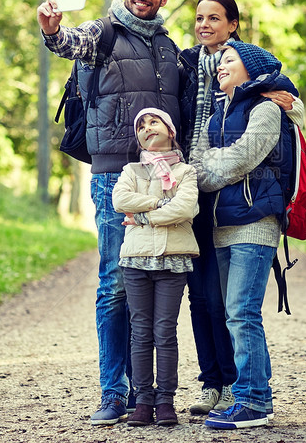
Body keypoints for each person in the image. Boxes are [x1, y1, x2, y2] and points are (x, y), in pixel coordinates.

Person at [36, 0, 194, 426]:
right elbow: (69, 44)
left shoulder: (169, 48)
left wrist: (277, 90)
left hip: (166, 178)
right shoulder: (101, 34)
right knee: (116, 281)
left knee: (155, 282)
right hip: (115, 176)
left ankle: (148, 394)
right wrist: (51, 31)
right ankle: (114, 392)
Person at [179, 0, 303, 416]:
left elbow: (235, 160)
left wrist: (211, 166)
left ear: (248, 69)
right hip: (220, 222)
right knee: (235, 313)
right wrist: (211, 165)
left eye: (229, 63)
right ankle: (249, 397)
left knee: (242, 314)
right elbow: (202, 160)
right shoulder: (217, 113)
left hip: (253, 221)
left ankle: (252, 401)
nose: (221, 68)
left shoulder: (265, 108)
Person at [112, 108, 200, 427]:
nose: (147, 128)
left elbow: (186, 207)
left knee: (165, 331)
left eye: (153, 122)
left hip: (173, 258)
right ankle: (142, 400)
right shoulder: (132, 170)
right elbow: (120, 200)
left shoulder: (186, 173)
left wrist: (145, 216)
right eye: (141, 126)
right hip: (136, 259)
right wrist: (162, 204)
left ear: (170, 130)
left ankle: (165, 400)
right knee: (140, 331)